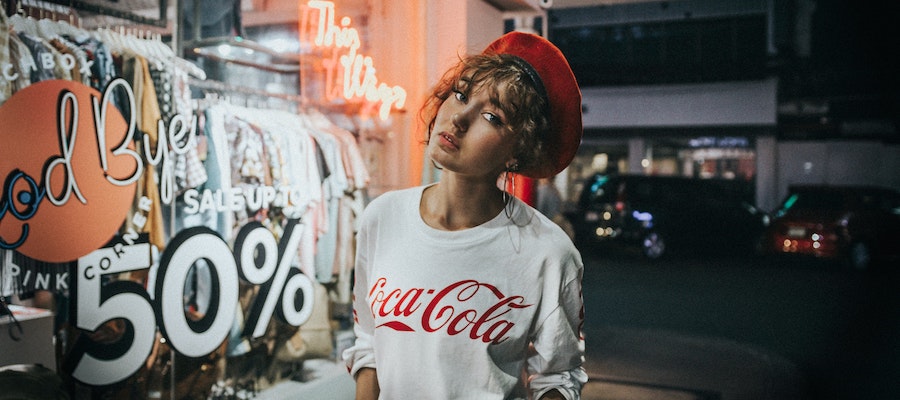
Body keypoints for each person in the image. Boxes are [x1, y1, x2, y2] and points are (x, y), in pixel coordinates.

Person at [343, 31, 587, 400]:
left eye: (491, 116)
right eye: (460, 95)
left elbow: (557, 377)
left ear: (518, 152)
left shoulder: (549, 253)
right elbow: (369, 341)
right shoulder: (382, 218)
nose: (458, 118)